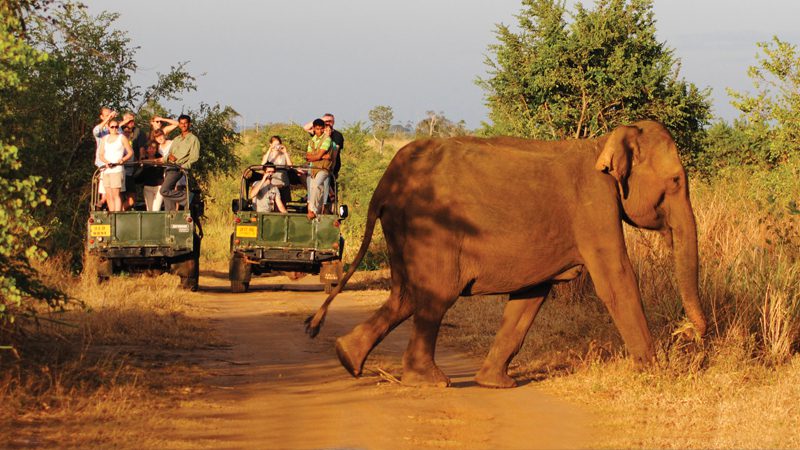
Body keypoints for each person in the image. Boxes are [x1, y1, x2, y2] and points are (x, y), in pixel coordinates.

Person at [160, 114, 200, 211]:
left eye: (185, 123)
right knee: (168, 193)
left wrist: (183, 166)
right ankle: (171, 214)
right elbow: (169, 153)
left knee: (164, 190)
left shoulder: (193, 139)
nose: (183, 125)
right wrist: (168, 157)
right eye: (181, 123)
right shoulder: (177, 139)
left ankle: (188, 197)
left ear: (189, 124)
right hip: (169, 166)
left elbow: (194, 157)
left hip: (178, 168)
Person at [98, 119, 134, 212]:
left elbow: (130, 152)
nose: (114, 129)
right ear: (108, 128)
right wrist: (106, 162)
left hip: (117, 169)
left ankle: (117, 214)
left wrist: (123, 159)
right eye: (112, 127)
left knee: (116, 194)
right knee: (108, 195)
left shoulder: (122, 137)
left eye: (116, 127)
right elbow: (100, 154)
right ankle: (112, 213)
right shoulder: (104, 139)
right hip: (106, 170)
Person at [305, 118, 332, 220]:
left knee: (317, 185)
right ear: (313, 129)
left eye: (321, 129)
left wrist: (317, 156)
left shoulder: (327, 139)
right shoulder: (311, 141)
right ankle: (315, 211)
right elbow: (307, 156)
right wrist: (320, 156)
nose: (319, 131)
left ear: (324, 128)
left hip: (324, 168)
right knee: (313, 189)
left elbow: (315, 156)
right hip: (313, 169)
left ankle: (312, 210)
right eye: (317, 129)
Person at [119, 113, 147, 210]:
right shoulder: (118, 131)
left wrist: (141, 158)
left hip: (131, 170)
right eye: (128, 120)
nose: (131, 122)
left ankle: (120, 211)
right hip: (118, 170)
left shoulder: (138, 132)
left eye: (132, 120)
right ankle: (118, 212)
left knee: (132, 198)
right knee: (119, 195)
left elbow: (141, 147)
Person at [304, 113, 344, 179]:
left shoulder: (337, 135)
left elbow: (333, 154)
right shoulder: (318, 134)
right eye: (326, 121)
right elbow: (306, 128)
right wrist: (321, 120)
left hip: (328, 166)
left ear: (333, 122)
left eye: (330, 121)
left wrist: (317, 156)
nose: (328, 122)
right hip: (315, 165)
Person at [93, 107, 116, 208]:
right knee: (105, 184)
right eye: (107, 115)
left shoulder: (116, 128)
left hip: (115, 162)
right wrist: (108, 119)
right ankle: (103, 201)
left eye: (110, 115)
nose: (109, 117)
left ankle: (105, 202)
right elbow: (96, 131)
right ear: (101, 117)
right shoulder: (101, 130)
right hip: (103, 162)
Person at [261, 135, 293, 204]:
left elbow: (290, 166)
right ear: (271, 144)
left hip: (283, 182)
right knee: (272, 203)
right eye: (274, 144)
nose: (276, 146)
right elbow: (263, 164)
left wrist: (285, 152)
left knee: (283, 203)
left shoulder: (284, 155)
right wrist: (270, 150)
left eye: (278, 144)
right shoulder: (268, 155)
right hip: (272, 183)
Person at [138, 141, 165, 211]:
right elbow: (141, 164)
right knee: (149, 209)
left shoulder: (160, 157)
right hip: (148, 186)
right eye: (150, 148)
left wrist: (156, 161)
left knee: (156, 209)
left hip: (159, 186)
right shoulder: (143, 159)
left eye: (154, 148)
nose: (152, 150)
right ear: (147, 149)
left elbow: (162, 161)